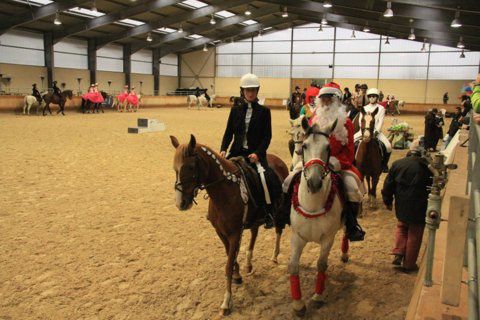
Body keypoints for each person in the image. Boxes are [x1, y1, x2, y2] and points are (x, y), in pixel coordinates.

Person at [284, 82, 366, 241]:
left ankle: (351, 224)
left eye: (330, 99)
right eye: (323, 99)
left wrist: (338, 161)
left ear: (337, 100)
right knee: (289, 179)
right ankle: (283, 214)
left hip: (338, 162)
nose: (326, 102)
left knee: (352, 188)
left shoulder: (346, 123)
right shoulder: (314, 119)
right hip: (315, 160)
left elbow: (349, 150)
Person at [220, 73, 282, 229]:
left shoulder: (264, 111)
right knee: (221, 175)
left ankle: (269, 213)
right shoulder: (235, 110)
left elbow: (267, 137)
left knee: (265, 178)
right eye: (248, 90)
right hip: (236, 152)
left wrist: (258, 153)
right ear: (242, 91)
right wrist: (223, 149)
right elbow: (229, 132)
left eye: (253, 90)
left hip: (255, 154)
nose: (250, 93)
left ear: (257, 91)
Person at [382, 139, 432, 272]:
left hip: (402, 204)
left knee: (402, 226)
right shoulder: (428, 167)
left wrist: (387, 200)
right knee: (415, 233)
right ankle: (409, 264)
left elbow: (388, 185)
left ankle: (398, 252)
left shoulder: (397, 164)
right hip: (419, 206)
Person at [354, 88, 392, 172]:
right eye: (370, 96)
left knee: (388, 146)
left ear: (377, 97)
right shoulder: (364, 108)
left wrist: (376, 132)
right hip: (363, 131)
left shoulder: (381, 108)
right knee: (351, 142)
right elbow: (361, 121)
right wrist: (364, 131)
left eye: (374, 96)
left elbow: (380, 122)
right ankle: (353, 162)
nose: (372, 98)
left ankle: (384, 165)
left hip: (375, 132)